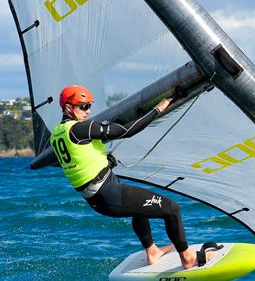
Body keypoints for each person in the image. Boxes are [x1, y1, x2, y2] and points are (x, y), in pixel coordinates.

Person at [50, 85, 213, 269]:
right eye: (83, 106)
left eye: (89, 105)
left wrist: (102, 160)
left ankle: (152, 252)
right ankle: (188, 258)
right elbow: (128, 131)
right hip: (108, 193)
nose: (88, 111)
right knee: (172, 208)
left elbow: (80, 157)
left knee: (139, 208)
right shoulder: (80, 129)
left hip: (98, 196)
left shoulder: (57, 134)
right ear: (69, 108)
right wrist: (157, 109)